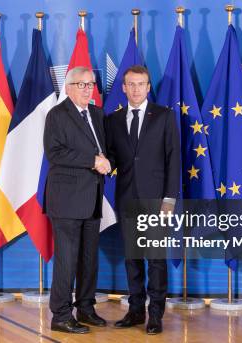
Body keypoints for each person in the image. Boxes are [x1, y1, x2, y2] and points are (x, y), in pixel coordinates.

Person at [105, 65, 181, 335]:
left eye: (141, 84)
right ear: (123, 88)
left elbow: (174, 159)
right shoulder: (113, 121)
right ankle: (135, 310)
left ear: (149, 87)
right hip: (127, 198)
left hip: (156, 200)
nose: (136, 89)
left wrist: (169, 200)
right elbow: (114, 157)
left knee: (156, 259)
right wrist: (104, 163)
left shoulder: (164, 116)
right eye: (131, 84)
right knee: (132, 258)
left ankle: (156, 314)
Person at [43, 66, 111, 334]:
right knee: (67, 260)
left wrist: (107, 162)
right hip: (67, 200)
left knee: (88, 258)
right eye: (81, 84)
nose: (87, 89)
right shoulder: (57, 115)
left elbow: (104, 151)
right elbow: (55, 153)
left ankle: (85, 307)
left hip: (92, 197)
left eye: (90, 84)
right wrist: (92, 161)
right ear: (69, 87)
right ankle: (60, 315)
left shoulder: (96, 113)